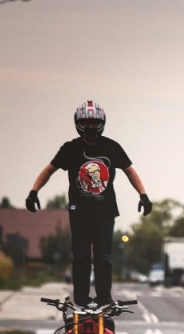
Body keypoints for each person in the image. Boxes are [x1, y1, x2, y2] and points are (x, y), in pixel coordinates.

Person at [26, 101, 152, 307]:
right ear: (78, 123)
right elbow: (49, 170)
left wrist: (143, 195)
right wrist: (33, 192)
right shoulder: (71, 149)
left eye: (94, 122)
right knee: (81, 257)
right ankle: (82, 297)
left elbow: (130, 171)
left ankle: (103, 297)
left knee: (103, 257)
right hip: (80, 212)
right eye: (87, 122)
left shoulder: (111, 147)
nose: (91, 126)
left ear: (102, 123)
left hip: (105, 212)